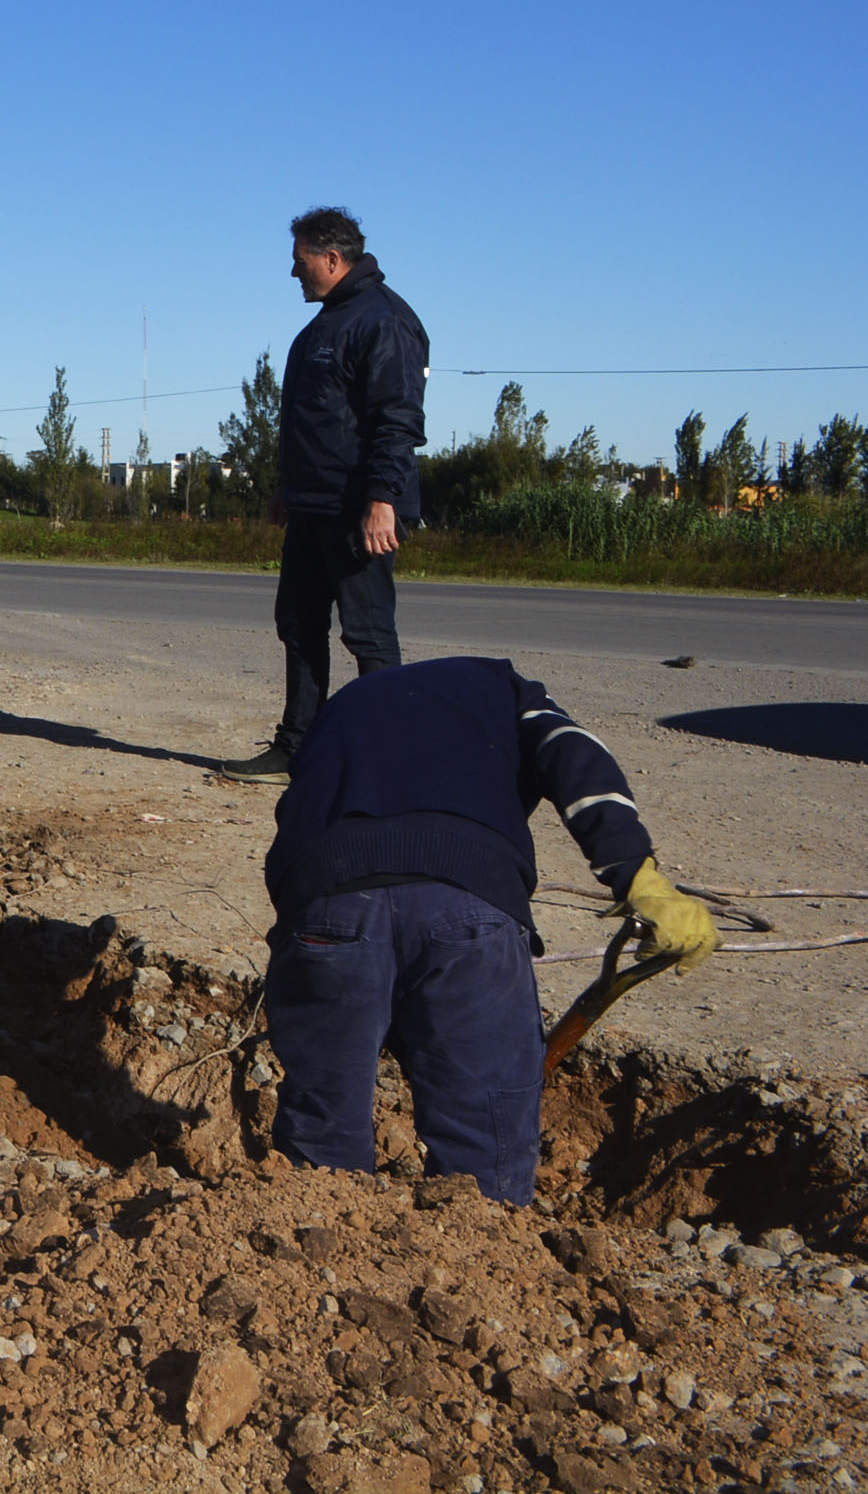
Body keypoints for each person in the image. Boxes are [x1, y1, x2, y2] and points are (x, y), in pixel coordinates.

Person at [261, 655, 717, 1206]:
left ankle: (317, 1236)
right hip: (466, 899)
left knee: (321, 1120)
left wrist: (317, 944)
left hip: (325, 900)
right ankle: (481, 1244)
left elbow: (298, 820)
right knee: (483, 1130)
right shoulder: (508, 690)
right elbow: (575, 756)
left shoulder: (341, 709)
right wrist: (635, 874)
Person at [224, 206, 430, 784]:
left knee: (368, 634)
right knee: (298, 624)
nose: (294, 272)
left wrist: (382, 500)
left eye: (300, 261)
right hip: (311, 506)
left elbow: (398, 420)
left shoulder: (385, 321)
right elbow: (308, 419)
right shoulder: (322, 326)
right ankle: (297, 748)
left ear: (333, 259)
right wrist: (285, 487)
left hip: (358, 510)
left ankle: (386, 764)